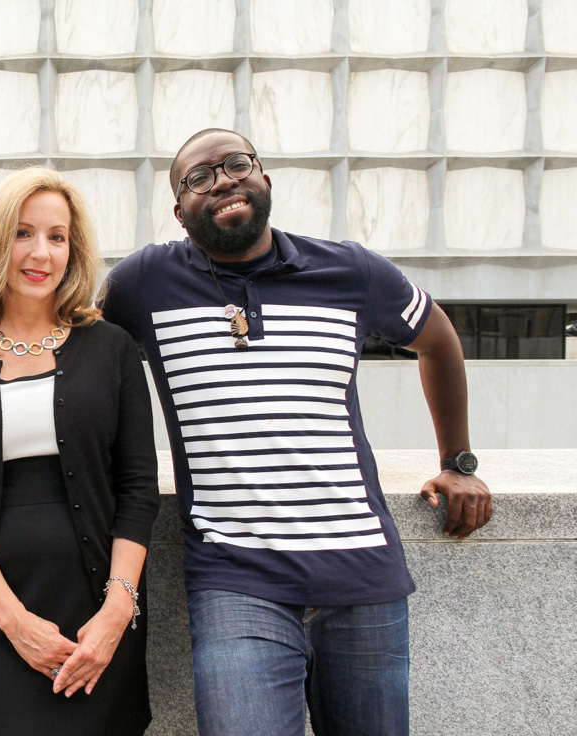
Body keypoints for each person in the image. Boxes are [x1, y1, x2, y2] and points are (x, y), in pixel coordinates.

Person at [101, 127, 493, 736]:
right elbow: (66, 356)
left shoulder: (351, 270)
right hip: (236, 581)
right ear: (180, 213)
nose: (223, 180)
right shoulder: (141, 284)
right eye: (198, 178)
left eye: (236, 164)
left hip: (362, 577)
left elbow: (438, 342)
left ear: (264, 177)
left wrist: (457, 462)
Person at [0, 167, 160, 736]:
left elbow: (138, 488)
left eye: (57, 236)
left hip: (104, 608)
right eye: (23, 233)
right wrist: (15, 622)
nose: (40, 252)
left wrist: (117, 612)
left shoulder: (112, 349)